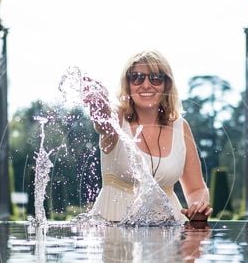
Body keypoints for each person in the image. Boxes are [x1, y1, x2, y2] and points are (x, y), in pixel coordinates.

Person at [81, 50, 213, 223]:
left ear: (166, 84)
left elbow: (196, 188)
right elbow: (103, 122)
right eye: (137, 77)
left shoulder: (181, 127)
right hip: (114, 234)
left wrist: (198, 206)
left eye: (155, 78)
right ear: (127, 84)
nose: (146, 85)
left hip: (169, 236)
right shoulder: (117, 119)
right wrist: (99, 105)